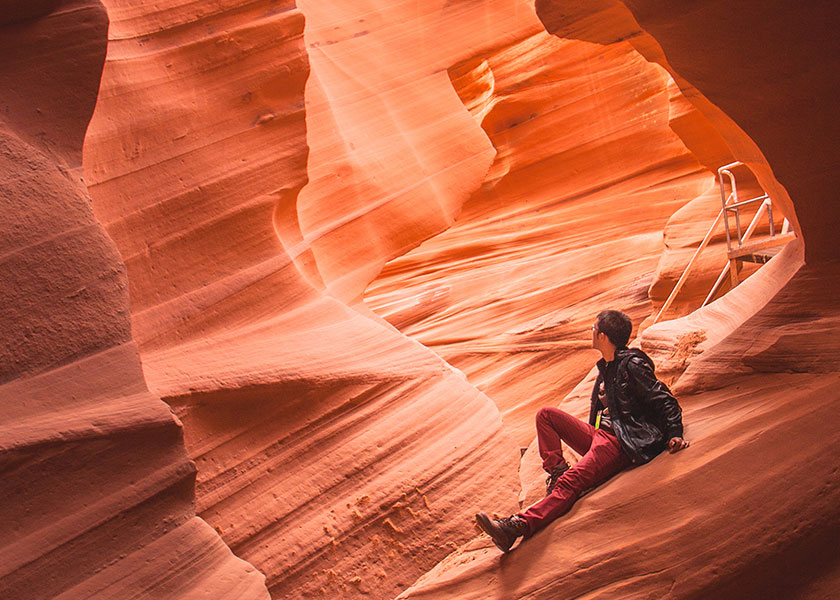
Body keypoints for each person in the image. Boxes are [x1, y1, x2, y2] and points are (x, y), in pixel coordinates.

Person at [475, 309, 689, 552]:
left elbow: (665, 400)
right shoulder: (608, 367)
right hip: (602, 435)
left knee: (572, 481)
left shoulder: (633, 365)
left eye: (594, 329)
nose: (592, 332)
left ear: (604, 337)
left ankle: (515, 527)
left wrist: (675, 433)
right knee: (546, 415)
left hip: (621, 442)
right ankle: (557, 474)